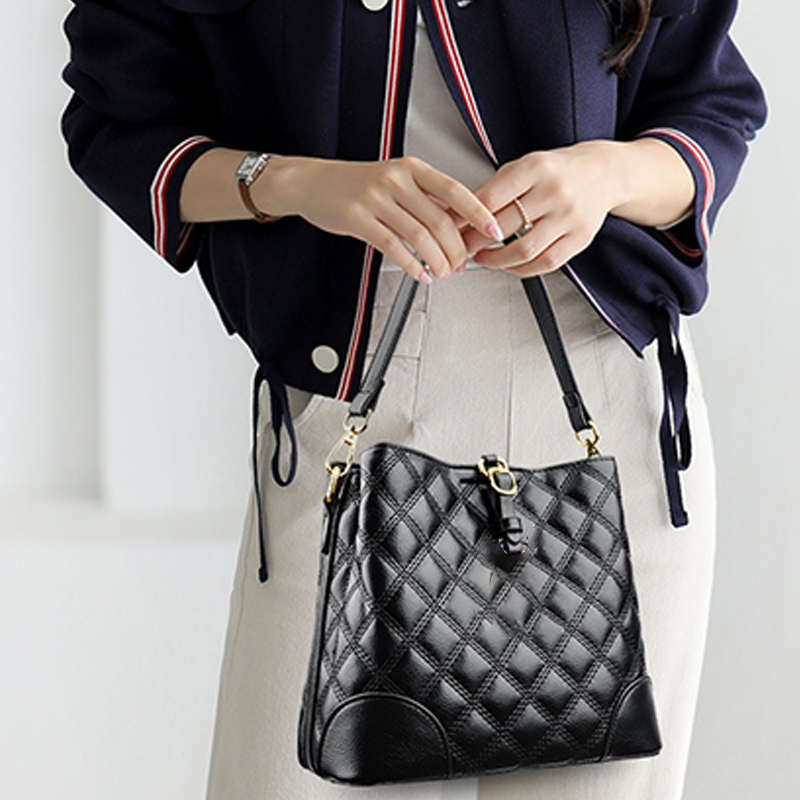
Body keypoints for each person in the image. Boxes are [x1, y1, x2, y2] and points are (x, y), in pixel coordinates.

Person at [62, 1, 766, 798]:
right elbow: (117, 122)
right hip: (346, 418)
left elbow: (711, 108)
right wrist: (294, 182)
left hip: (603, 413)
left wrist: (608, 176)